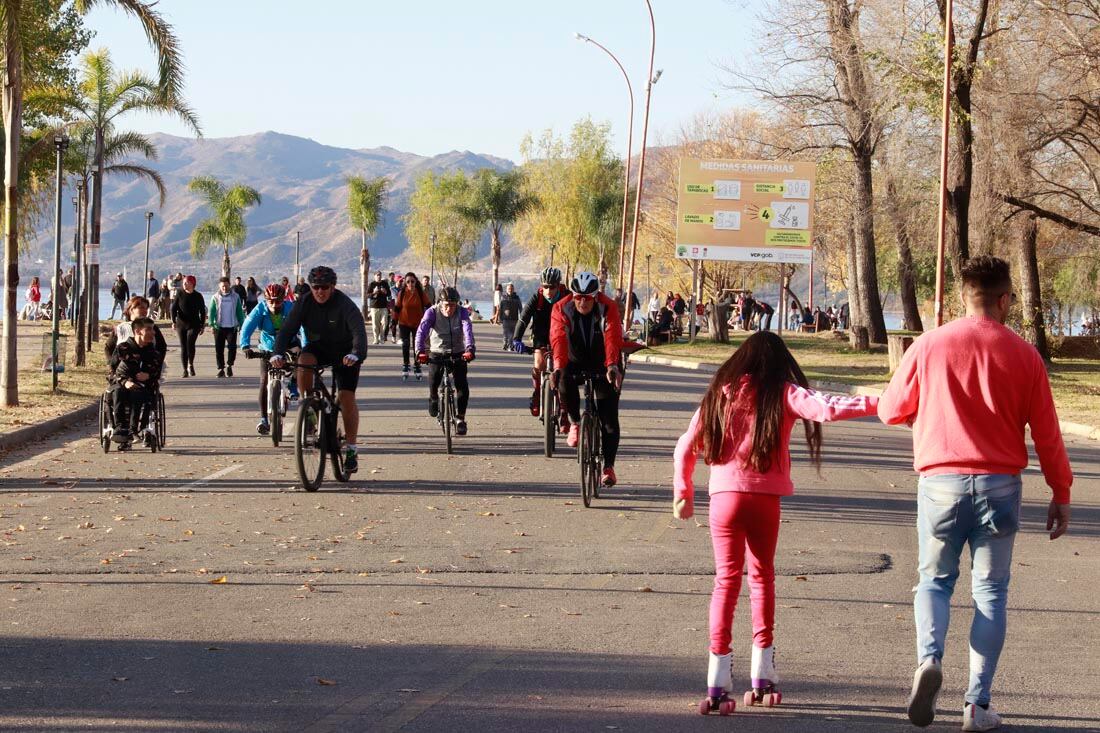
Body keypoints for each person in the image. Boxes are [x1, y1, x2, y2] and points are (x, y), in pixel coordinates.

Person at [878, 255, 1072, 732]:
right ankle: (977, 705)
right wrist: (1061, 490)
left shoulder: (928, 345)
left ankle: (928, 660)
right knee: (990, 594)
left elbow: (890, 410)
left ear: (964, 296)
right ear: (1005, 299)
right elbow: (1047, 435)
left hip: (940, 484)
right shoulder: (1025, 356)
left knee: (933, 582)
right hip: (999, 488)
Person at [673, 331, 879, 715]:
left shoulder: (721, 392)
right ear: (780, 362)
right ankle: (762, 675)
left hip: (723, 499)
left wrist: (682, 491)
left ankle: (717, 681)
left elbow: (686, 444)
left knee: (726, 581)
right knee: (762, 577)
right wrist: (883, 403)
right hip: (764, 500)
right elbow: (827, 407)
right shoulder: (783, 393)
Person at [271, 266, 367, 474]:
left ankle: (351, 448)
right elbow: (287, 330)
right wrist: (277, 353)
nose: (320, 291)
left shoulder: (344, 304)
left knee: (346, 396)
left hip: (345, 353)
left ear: (332, 287)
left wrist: (356, 353)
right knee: (303, 361)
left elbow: (359, 332)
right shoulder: (304, 302)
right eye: (316, 287)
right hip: (319, 348)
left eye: (324, 287)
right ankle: (309, 407)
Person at [550, 271, 624, 487]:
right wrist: (557, 367)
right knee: (563, 378)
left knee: (609, 419)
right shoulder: (561, 307)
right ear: (572, 296)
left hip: (603, 362)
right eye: (578, 297)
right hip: (573, 360)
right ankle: (575, 423)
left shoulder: (607, 307)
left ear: (595, 297)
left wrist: (611, 366)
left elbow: (612, 338)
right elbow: (558, 339)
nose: (582, 302)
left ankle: (608, 467)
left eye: (587, 298)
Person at [240, 283, 301, 435]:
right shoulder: (260, 308)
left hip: (289, 344)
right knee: (264, 381)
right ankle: (263, 419)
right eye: (271, 301)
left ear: (284, 299)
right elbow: (247, 326)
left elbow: (303, 327)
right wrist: (245, 346)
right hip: (267, 347)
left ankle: (293, 385)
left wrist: (306, 345)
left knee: (298, 360)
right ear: (266, 300)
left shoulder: (291, 308)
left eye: (278, 301)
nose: (274, 304)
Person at [415, 286, 475, 436]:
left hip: (458, 352)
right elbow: (421, 332)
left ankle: (460, 419)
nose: (449, 309)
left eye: (453, 305)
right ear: (440, 303)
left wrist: (470, 349)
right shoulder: (432, 312)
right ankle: (433, 397)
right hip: (437, 351)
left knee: (462, 386)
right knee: (434, 378)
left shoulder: (462, 312)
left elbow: (467, 329)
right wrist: (420, 351)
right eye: (446, 305)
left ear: (457, 304)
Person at [513, 267, 568, 419]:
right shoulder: (537, 298)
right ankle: (537, 393)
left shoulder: (566, 296)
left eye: (552, 287)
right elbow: (523, 318)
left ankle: (564, 406)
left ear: (559, 285)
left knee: (563, 370)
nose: (548, 290)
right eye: (545, 286)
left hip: (562, 336)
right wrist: (517, 338)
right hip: (541, 335)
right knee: (538, 365)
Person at [109, 317, 164, 448]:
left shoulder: (153, 352)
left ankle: (134, 430)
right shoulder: (123, 348)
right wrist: (125, 381)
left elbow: (156, 372)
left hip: (144, 387)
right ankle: (120, 428)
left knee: (138, 393)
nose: (154, 333)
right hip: (122, 383)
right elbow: (113, 371)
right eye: (149, 329)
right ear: (138, 331)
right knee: (117, 391)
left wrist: (148, 375)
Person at [106, 296, 167, 369]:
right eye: (141, 308)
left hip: (146, 373)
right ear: (131, 310)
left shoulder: (153, 327)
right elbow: (108, 348)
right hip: (125, 374)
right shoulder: (121, 328)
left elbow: (162, 347)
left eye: (146, 308)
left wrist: (157, 366)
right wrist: (112, 365)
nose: (145, 311)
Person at [394, 271, 431, 380]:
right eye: (408, 282)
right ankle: (406, 364)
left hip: (417, 324)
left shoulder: (420, 293)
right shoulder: (402, 293)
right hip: (404, 323)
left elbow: (429, 306)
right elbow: (397, 308)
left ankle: (417, 365)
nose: (410, 283)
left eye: (412, 281)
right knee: (405, 344)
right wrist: (393, 322)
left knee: (417, 345)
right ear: (405, 283)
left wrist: (432, 319)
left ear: (416, 282)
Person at [209, 276, 245, 378]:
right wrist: (211, 324)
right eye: (222, 286)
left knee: (232, 348)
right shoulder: (215, 297)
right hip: (219, 327)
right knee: (219, 349)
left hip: (231, 327)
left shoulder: (235, 296)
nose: (224, 288)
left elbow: (239, 312)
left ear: (229, 284)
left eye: (226, 286)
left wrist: (242, 325)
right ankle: (221, 369)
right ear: (219, 286)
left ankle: (229, 365)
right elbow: (211, 312)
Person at [170, 275, 205, 377]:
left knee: (190, 344)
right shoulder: (180, 294)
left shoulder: (198, 296)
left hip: (194, 324)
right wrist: (173, 322)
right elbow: (173, 308)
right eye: (183, 283)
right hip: (181, 324)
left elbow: (202, 312)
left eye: (186, 282)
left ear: (192, 284)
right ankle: (185, 369)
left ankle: (191, 364)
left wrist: (202, 325)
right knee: (183, 347)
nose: (184, 284)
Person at [366, 271, 391, 345]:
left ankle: (382, 338)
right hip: (374, 307)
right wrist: (374, 292)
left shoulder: (385, 284)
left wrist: (385, 292)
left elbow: (389, 294)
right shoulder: (372, 284)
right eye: (377, 275)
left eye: (380, 275)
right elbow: (367, 295)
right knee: (375, 324)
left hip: (383, 307)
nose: (379, 276)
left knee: (385, 322)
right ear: (374, 276)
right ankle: (376, 339)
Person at [498, 283, 522, 350]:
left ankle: (511, 345)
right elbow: (500, 308)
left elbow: (520, 308)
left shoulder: (517, 298)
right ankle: (505, 344)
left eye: (511, 289)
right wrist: (499, 318)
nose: (510, 290)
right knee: (505, 332)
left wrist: (522, 317)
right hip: (505, 318)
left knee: (512, 334)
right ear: (506, 290)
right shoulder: (503, 297)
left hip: (514, 318)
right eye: (509, 289)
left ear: (513, 289)